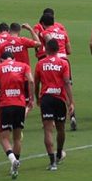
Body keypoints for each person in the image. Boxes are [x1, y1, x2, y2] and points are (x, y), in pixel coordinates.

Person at [0, 48, 34, 179]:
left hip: (5, 104)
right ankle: (15, 168)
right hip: (20, 104)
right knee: (17, 137)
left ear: (2, 60)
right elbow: (31, 81)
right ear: (13, 59)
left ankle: (12, 160)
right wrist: (31, 98)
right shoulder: (23, 66)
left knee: (4, 138)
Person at [34, 39, 74, 170]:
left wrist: (37, 97)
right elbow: (67, 82)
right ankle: (59, 153)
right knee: (60, 128)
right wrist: (71, 102)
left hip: (46, 98)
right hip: (60, 98)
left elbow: (36, 83)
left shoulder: (40, 64)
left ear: (46, 49)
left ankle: (52, 162)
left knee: (48, 130)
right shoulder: (63, 63)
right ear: (58, 50)